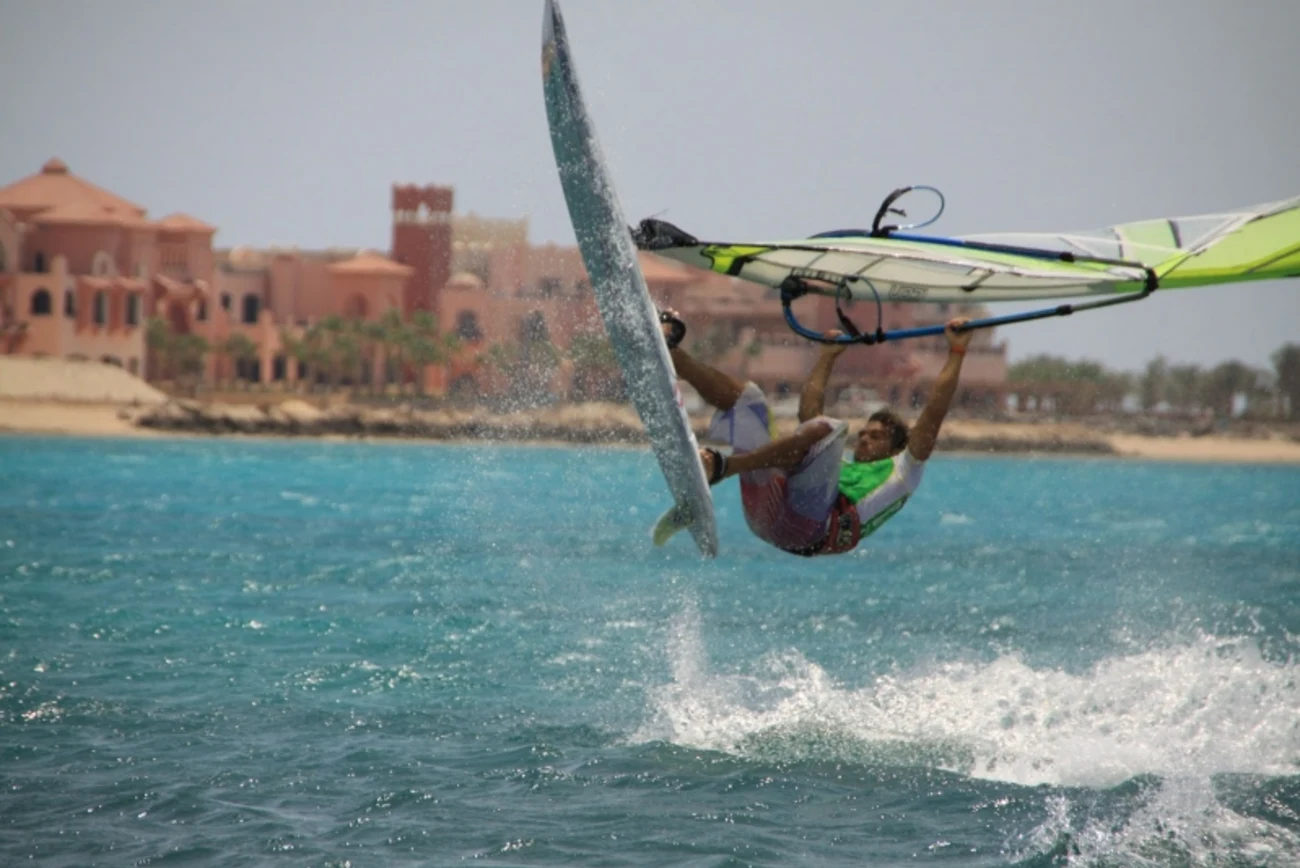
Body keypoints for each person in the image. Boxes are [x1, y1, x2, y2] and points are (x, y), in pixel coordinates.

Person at [660, 311, 973, 556]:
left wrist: (957, 351)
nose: (863, 438)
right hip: (769, 513)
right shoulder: (837, 470)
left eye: (876, 436)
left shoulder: (905, 471)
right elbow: (808, 416)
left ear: (896, 448)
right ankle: (673, 356)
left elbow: (933, 412)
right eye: (864, 433)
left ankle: (722, 467)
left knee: (829, 428)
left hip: (809, 531)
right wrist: (826, 356)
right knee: (750, 399)